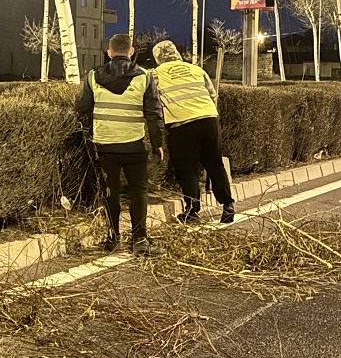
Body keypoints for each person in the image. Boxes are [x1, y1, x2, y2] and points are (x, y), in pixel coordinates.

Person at [74, 33, 164, 255]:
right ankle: (140, 240)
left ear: (109, 53)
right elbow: (154, 114)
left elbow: (82, 107)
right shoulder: (144, 76)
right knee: (138, 191)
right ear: (131, 52)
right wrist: (158, 144)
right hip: (133, 145)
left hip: (104, 145)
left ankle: (112, 238)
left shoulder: (93, 76)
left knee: (110, 190)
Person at [152, 40, 235, 224]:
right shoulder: (197, 70)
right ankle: (228, 205)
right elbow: (213, 95)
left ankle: (192, 210)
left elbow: (152, 101)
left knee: (187, 170)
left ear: (158, 58)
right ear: (177, 53)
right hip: (209, 121)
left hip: (181, 125)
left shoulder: (155, 75)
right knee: (215, 165)